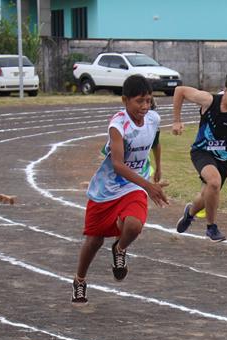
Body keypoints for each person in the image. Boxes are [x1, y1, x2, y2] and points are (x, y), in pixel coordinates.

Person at [72, 75, 168, 304]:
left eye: (148, 100)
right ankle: (79, 280)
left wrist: (158, 168)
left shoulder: (153, 118)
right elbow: (117, 164)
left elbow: (154, 142)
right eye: (139, 101)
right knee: (94, 241)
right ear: (125, 100)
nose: (144, 106)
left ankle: (120, 248)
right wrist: (150, 187)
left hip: (134, 186)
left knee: (134, 224)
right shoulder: (118, 124)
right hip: (107, 189)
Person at [173, 71, 227, 241]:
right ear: (225, 90)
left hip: (223, 157)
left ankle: (189, 213)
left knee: (207, 193)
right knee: (214, 182)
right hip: (202, 151)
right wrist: (177, 120)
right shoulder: (209, 100)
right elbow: (180, 91)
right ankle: (211, 228)